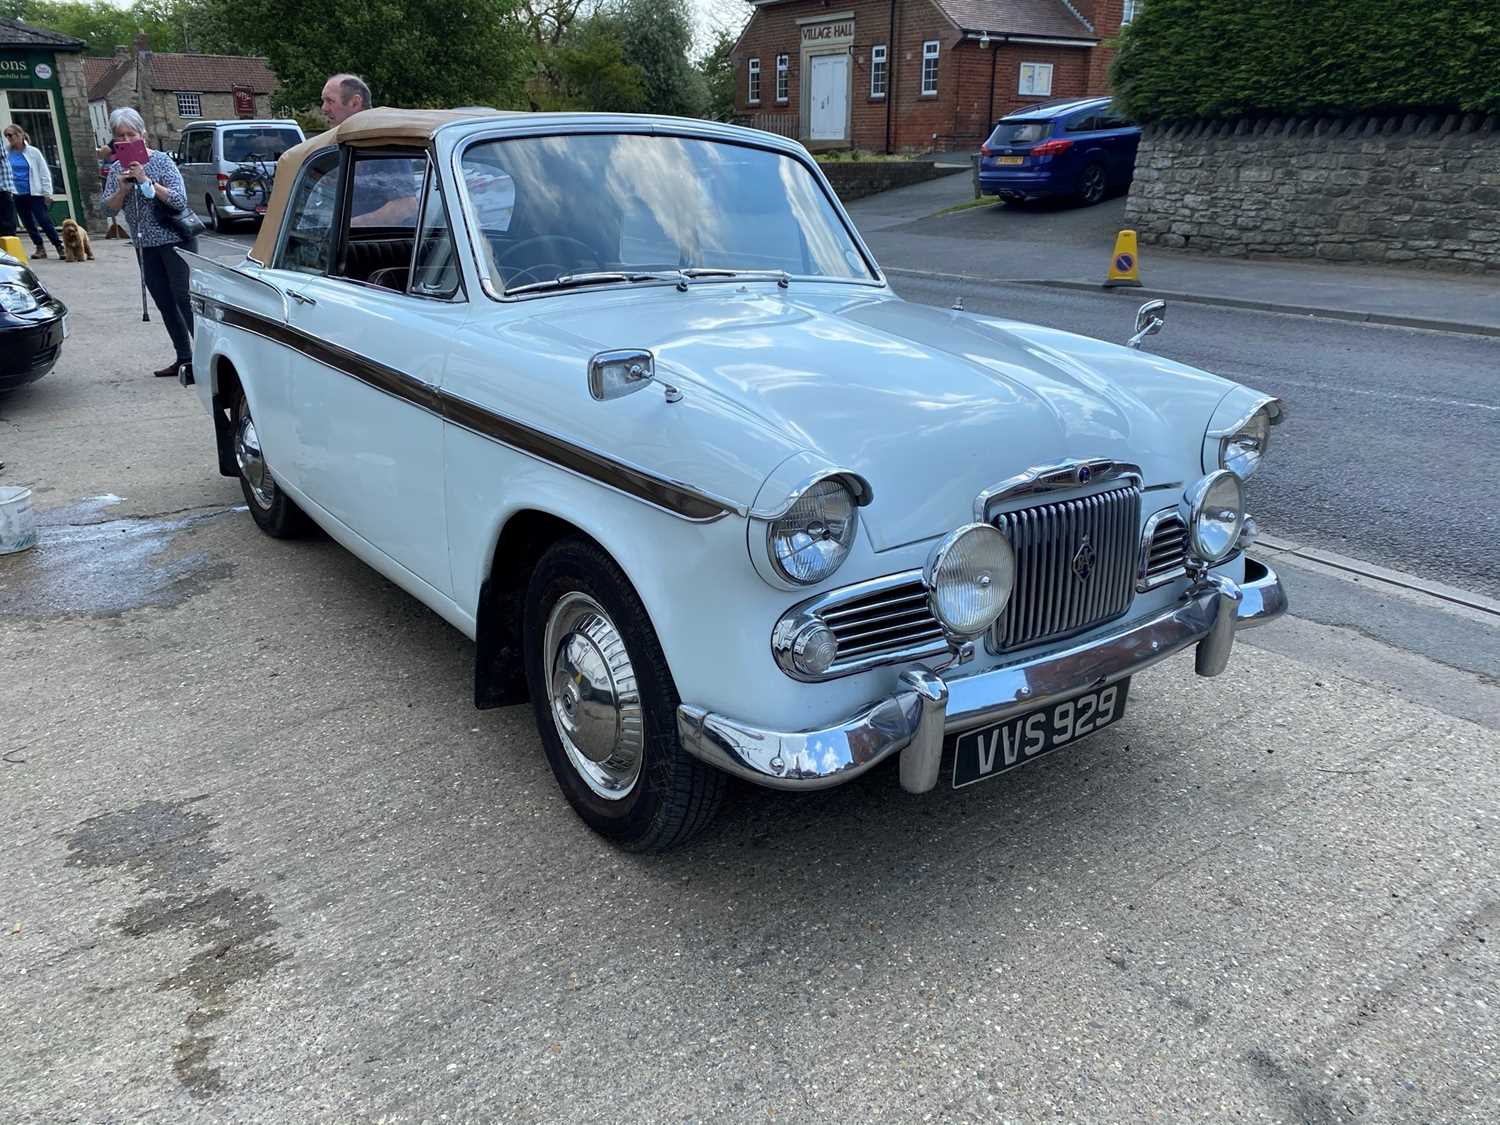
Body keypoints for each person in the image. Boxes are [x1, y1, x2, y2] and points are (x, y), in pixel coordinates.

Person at [100, 107, 197, 379]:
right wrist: (122, 189)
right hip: (145, 245)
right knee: (165, 302)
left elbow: (179, 200)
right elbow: (107, 210)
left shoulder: (162, 161)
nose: (127, 141)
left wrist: (146, 180)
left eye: (132, 134)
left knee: (184, 299)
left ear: (143, 135)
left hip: (175, 240)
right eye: (121, 136)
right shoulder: (116, 169)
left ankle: (203, 357)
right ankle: (184, 357)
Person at [4, 127, 65, 259]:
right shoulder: (7, 153)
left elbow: (44, 172)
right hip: (17, 192)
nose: (8, 139)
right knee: (28, 222)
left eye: (10, 135)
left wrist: (47, 192)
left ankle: (59, 245)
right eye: (6, 136)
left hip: (34, 192)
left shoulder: (33, 152)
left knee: (43, 219)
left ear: (20, 134)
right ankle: (39, 247)